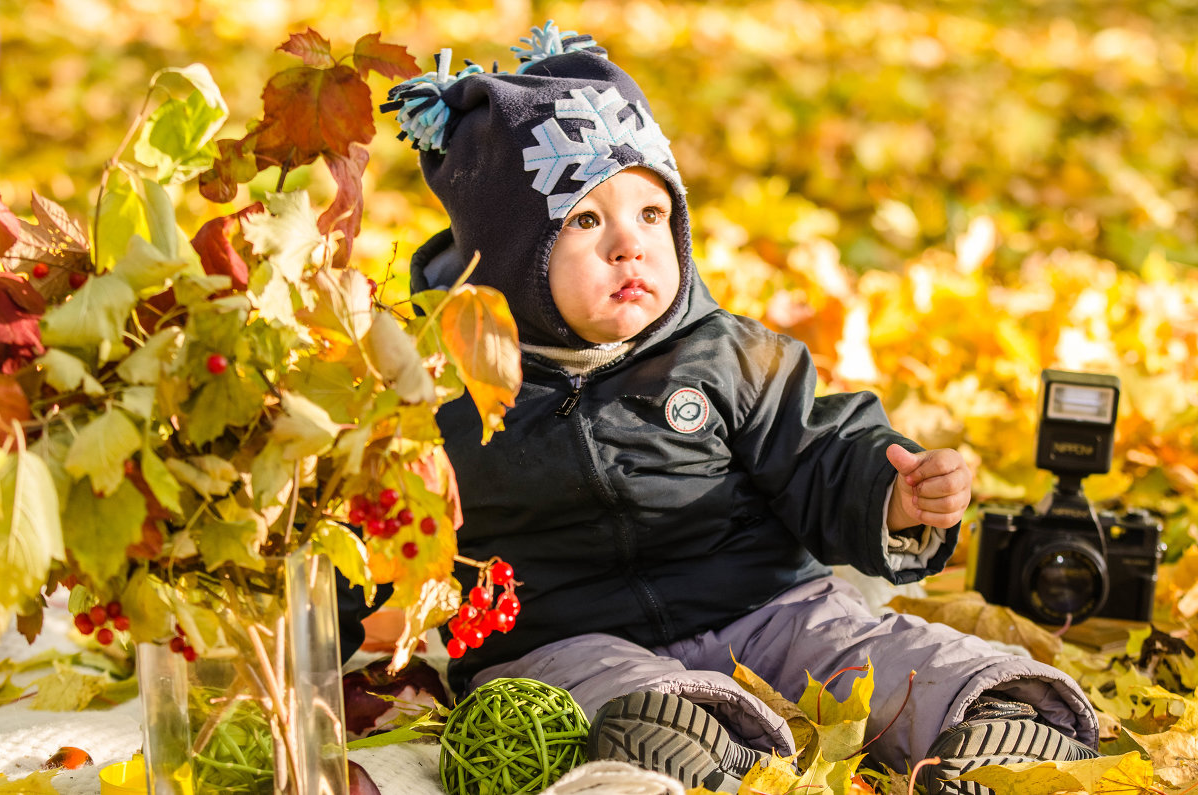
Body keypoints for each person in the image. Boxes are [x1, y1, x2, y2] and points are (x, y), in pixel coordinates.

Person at [375, 22, 1100, 794]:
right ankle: (702, 751)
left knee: (863, 645)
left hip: (767, 606)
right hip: (566, 635)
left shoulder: (724, 354)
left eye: (652, 215)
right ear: (513, 259)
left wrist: (892, 493)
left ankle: (994, 725)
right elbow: (379, 536)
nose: (632, 246)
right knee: (595, 693)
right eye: (586, 221)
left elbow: (817, 452)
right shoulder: (440, 393)